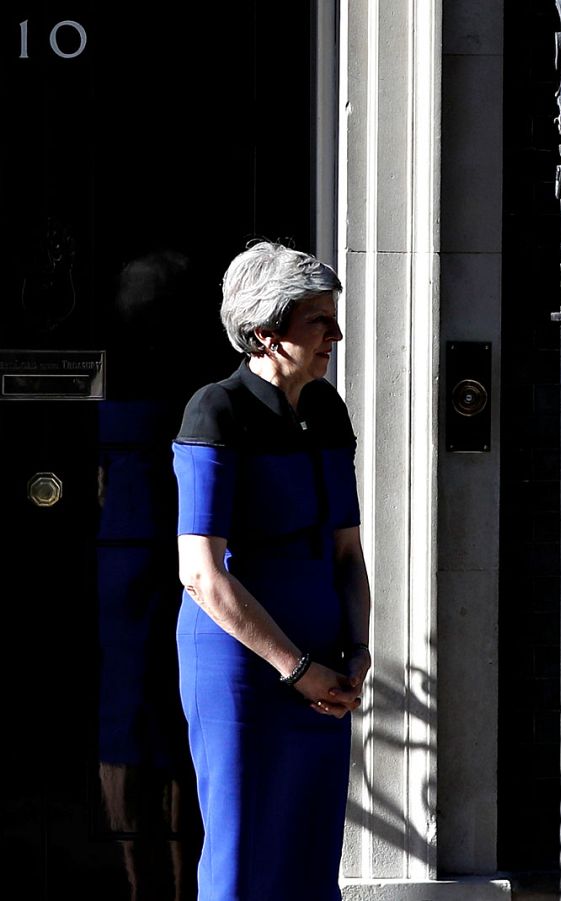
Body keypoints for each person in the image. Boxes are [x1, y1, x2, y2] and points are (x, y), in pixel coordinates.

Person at [172, 242, 370, 899]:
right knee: (241, 855)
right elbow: (201, 572)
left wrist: (358, 650)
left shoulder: (328, 411)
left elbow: (346, 550)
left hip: (324, 662)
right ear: (264, 330)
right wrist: (295, 666)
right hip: (241, 665)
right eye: (319, 320)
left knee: (312, 854)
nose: (335, 335)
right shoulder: (216, 410)